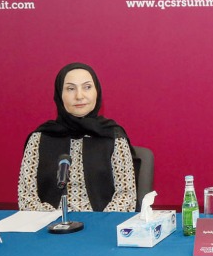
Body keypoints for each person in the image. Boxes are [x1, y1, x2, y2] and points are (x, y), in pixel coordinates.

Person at [18, 62, 137, 212]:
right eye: (70, 89)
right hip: (50, 223)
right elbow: (26, 197)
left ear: (97, 92)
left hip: (102, 223)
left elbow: (126, 196)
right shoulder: (40, 138)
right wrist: (51, 220)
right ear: (59, 95)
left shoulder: (113, 137)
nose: (79, 96)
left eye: (87, 87)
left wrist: (98, 222)